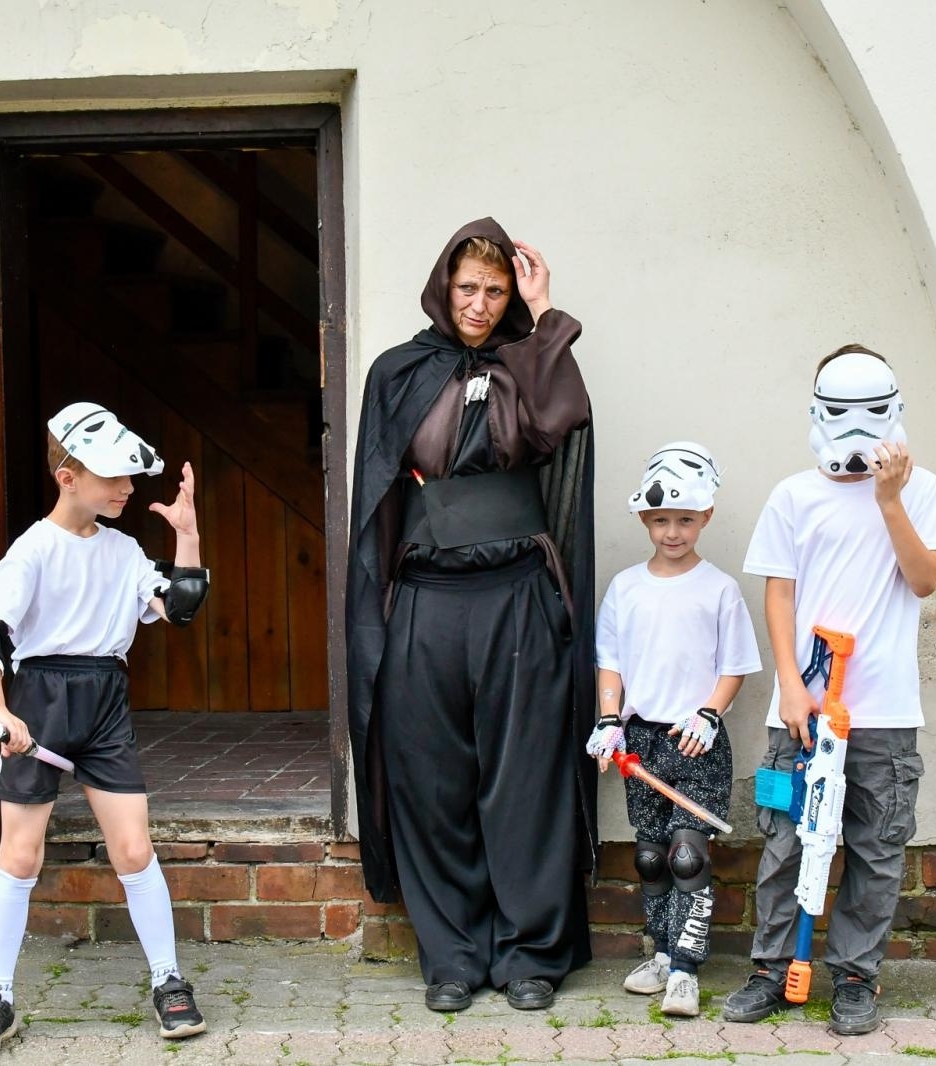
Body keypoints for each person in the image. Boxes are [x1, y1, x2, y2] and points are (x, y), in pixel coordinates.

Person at [345, 218, 598, 1014]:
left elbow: (560, 425)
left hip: (518, 596)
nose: (481, 303)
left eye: (495, 289)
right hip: (426, 601)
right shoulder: (398, 371)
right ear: (442, 287)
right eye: (468, 288)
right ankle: (452, 952)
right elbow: (378, 497)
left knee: (524, 778)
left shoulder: (532, 366)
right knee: (432, 778)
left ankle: (531, 953)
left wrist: (544, 313)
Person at [0, 403, 212, 1058]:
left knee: (132, 850)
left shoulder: (124, 552)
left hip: (103, 703)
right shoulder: (32, 551)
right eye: (113, 478)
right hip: (39, 702)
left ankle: (168, 981)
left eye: (130, 478)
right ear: (68, 475)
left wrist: (187, 534)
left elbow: (179, 606)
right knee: (20, 856)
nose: (127, 489)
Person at [722, 346, 936, 1036]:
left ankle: (856, 977)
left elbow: (924, 581)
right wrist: (791, 686)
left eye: (871, 414)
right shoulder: (794, 495)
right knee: (788, 842)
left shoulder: (923, 490)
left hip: (883, 711)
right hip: (803, 711)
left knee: (876, 849)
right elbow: (779, 594)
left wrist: (888, 499)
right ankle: (769, 970)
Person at [585, 442, 761, 1017]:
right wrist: (610, 718)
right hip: (643, 742)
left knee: (689, 855)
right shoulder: (626, 587)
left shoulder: (719, 589)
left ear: (706, 517)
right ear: (644, 518)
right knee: (653, 857)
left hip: (696, 740)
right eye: (660, 520)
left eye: (685, 519)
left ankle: (687, 969)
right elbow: (608, 659)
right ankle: (660, 953)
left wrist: (709, 713)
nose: (672, 531)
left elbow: (734, 665)